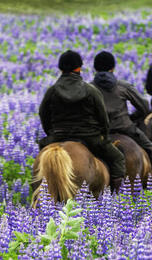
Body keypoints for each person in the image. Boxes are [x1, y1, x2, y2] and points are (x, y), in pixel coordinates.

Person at [38, 50, 127, 192]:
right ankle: (116, 200)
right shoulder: (90, 90)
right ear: (79, 68)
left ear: (60, 69)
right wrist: (103, 134)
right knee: (117, 159)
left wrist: (51, 133)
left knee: (41, 158)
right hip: (89, 136)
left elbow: (43, 115)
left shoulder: (52, 91)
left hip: (58, 135)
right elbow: (103, 118)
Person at [91, 51, 152, 176]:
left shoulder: (89, 88)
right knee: (150, 148)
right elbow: (144, 106)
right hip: (124, 127)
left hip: (98, 131)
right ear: (112, 68)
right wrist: (132, 117)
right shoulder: (123, 86)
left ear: (95, 68)